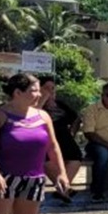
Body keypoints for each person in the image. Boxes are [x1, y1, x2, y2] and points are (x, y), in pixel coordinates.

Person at [0, 73, 69, 214]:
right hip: (4, 178)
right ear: (17, 93)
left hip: (33, 179)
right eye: (34, 90)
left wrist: (61, 172)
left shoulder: (43, 116)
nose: (39, 94)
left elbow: (53, 146)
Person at [37, 74, 81, 204]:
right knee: (45, 158)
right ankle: (64, 189)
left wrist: (72, 131)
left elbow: (76, 118)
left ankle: (63, 188)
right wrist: (43, 100)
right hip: (45, 139)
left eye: (53, 88)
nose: (51, 91)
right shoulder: (35, 106)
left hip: (64, 137)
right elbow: (33, 116)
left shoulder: (60, 105)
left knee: (76, 156)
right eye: (47, 88)